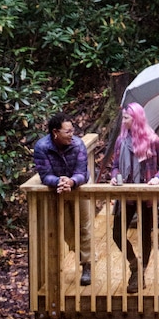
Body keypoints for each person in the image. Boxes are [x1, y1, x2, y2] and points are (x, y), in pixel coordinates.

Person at [109, 102, 159, 293]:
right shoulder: (121, 141)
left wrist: (157, 179)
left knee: (145, 235)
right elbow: (115, 166)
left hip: (146, 197)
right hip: (125, 195)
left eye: (126, 117)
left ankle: (139, 274)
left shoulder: (152, 140)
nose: (123, 120)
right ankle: (134, 264)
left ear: (136, 119)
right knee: (117, 234)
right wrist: (113, 177)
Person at [33, 112, 92, 285]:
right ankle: (80, 253)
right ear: (55, 132)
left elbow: (82, 172)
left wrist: (72, 181)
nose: (71, 135)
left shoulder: (78, 144)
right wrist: (59, 181)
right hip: (58, 189)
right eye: (67, 132)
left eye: (72, 131)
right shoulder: (42, 147)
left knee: (84, 226)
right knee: (67, 230)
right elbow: (45, 175)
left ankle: (86, 264)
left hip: (78, 187)